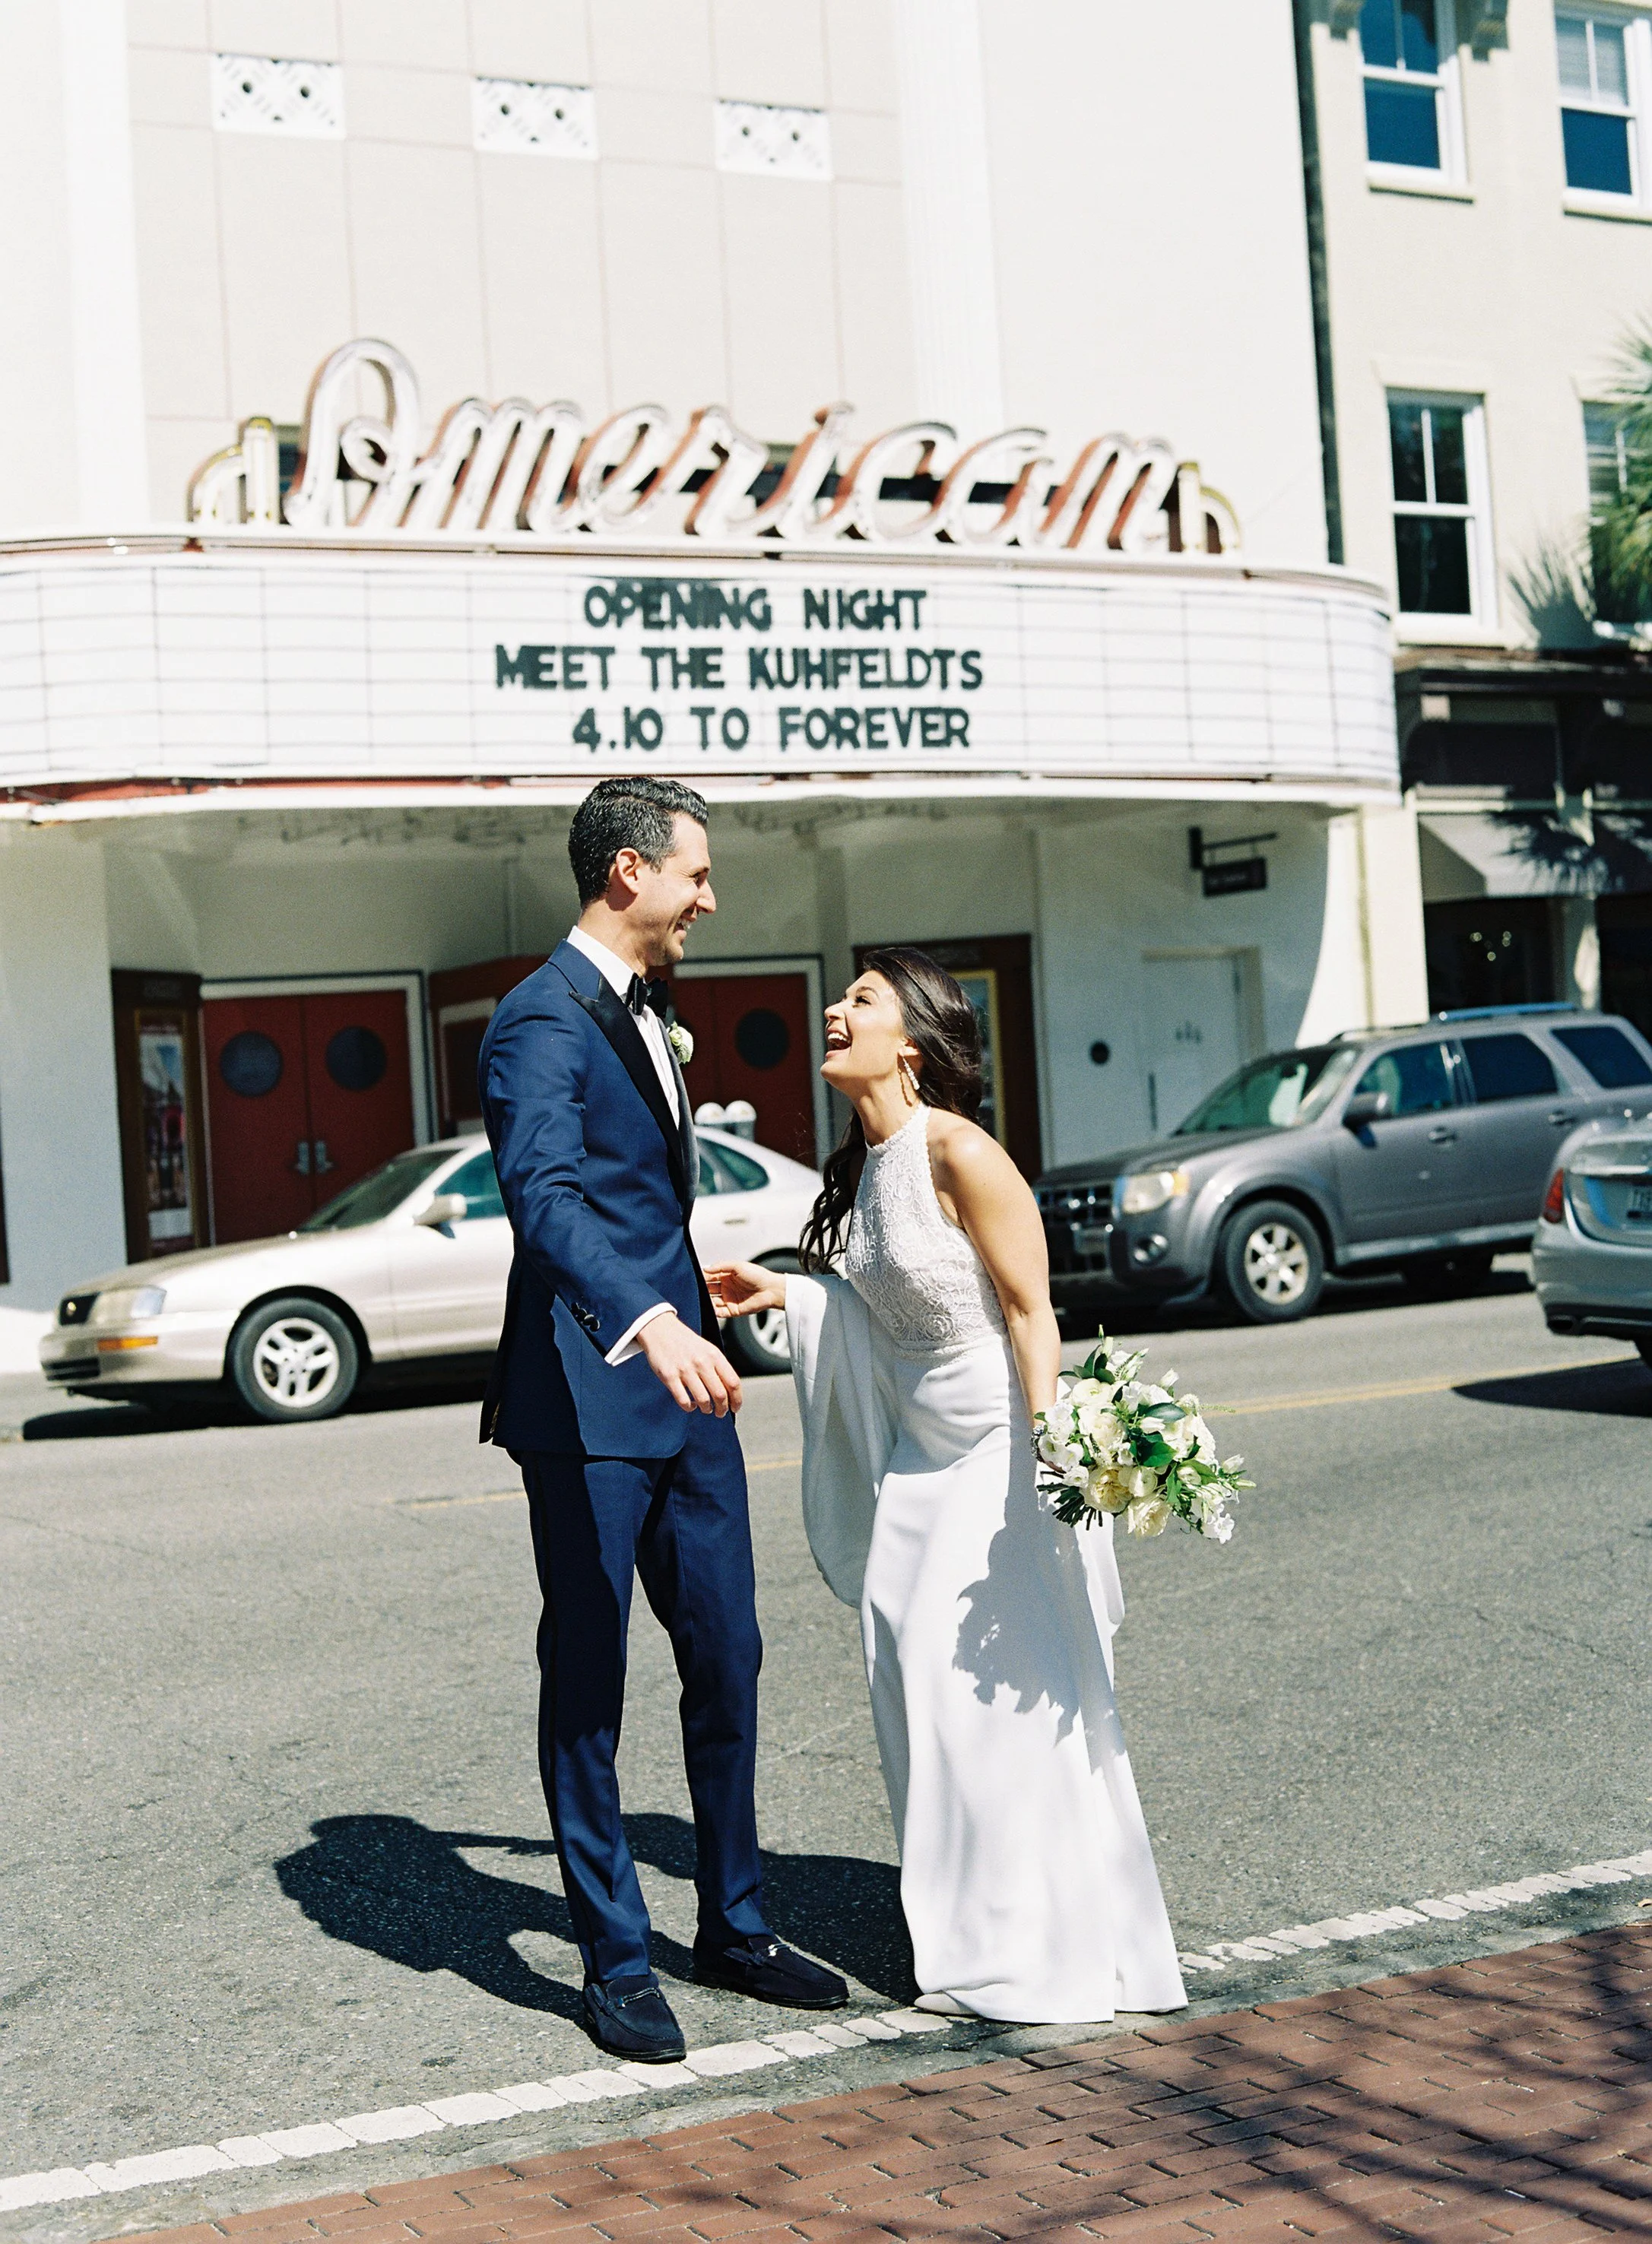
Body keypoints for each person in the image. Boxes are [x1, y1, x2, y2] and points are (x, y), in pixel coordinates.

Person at [707, 949, 1186, 2024]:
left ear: (911, 1047)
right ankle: (974, 1932)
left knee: (982, 1685)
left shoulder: (960, 1149)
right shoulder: (869, 1160)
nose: (835, 1010)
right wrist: (791, 1289)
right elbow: (879, 1309)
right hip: (918, 1459)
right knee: (906, 1669)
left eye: (861, 1000)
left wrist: (1054, 1437)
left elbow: (1029, 1309)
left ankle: (1035, 1951)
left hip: (993, 1454)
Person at [478, 776, 847, 2062]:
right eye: (696, 871)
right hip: (589, 1392)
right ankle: (616, 1959)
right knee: (589, 1679)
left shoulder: (651, 1014)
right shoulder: (539, 1022)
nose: (710, 894)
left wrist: (705, 1292)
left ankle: (733, 1926)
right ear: (629, 872)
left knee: (729, 1654)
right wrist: (647, 1319)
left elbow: (641, 1199)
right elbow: (548, 1197)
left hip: (693, 1392)